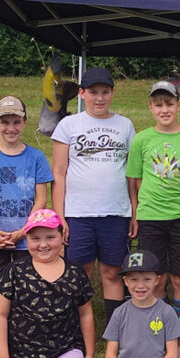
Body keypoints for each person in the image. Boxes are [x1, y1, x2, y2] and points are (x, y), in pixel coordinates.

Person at [0, 209, 96, 358]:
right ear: (27, 239)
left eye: (50, 237)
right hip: (23, 350)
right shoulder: (14, 271)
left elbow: (86, 314)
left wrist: (89, 354)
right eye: (35, 238)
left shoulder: (75, 272)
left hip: (65, 347)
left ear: (62, 236)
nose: (43, 244)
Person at [51, 67, 135, 319]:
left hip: (115, 212)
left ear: (112, 93)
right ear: (81, 93)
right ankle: (76, 328)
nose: (99, 98)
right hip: (78, 213)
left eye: (105, 92)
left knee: (112, 271)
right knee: (80, 270)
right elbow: (59, 173)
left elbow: (132, 174)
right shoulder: (68, 125)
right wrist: (59, 216)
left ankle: (115, 331)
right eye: (93, 92)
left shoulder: (125, 125)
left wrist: (134, 210)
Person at [126, 80, 180, 312]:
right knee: (156, 278)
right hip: (151, 217)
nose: (164, 110)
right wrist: (137, 211)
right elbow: (136, 180)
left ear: (179, 105)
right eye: (158, 105)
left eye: (169, 104)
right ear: (150, 108)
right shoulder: (141, 139)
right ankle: (157, 328)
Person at [85, 250, 180, 358]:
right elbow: (110, 353)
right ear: (125, 281)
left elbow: (172, 353)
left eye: (147, 279)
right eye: (133, 279)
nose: (140, 285)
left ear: (157, 280)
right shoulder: (120, 313)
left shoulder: (166, 312)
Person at [0, 95, 52, 291]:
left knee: (29, 286)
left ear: (25, 123)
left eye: (16, 122)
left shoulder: (36, 157)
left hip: (27, 238)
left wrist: (23, 232)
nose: (11, 128)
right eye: (5, 122)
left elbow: (41, 198)